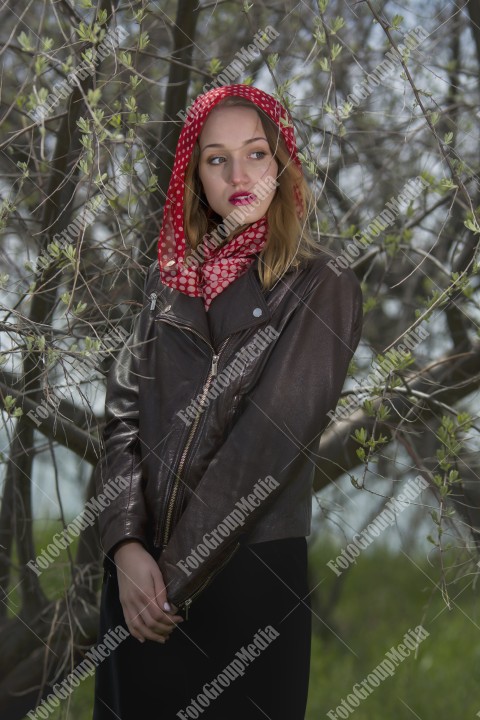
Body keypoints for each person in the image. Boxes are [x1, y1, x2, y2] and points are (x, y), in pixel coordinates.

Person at [92, 84, 362, 719]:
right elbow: (121, 419)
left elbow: (268, 443)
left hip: (247, 578)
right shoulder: (166, 281)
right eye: (216, 159)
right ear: (196, 177)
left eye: (255, 154)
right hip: (139, 582)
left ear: (282, 163)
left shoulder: (323, 284)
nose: (238, 175)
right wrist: (126, 548)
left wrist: (169, 584)